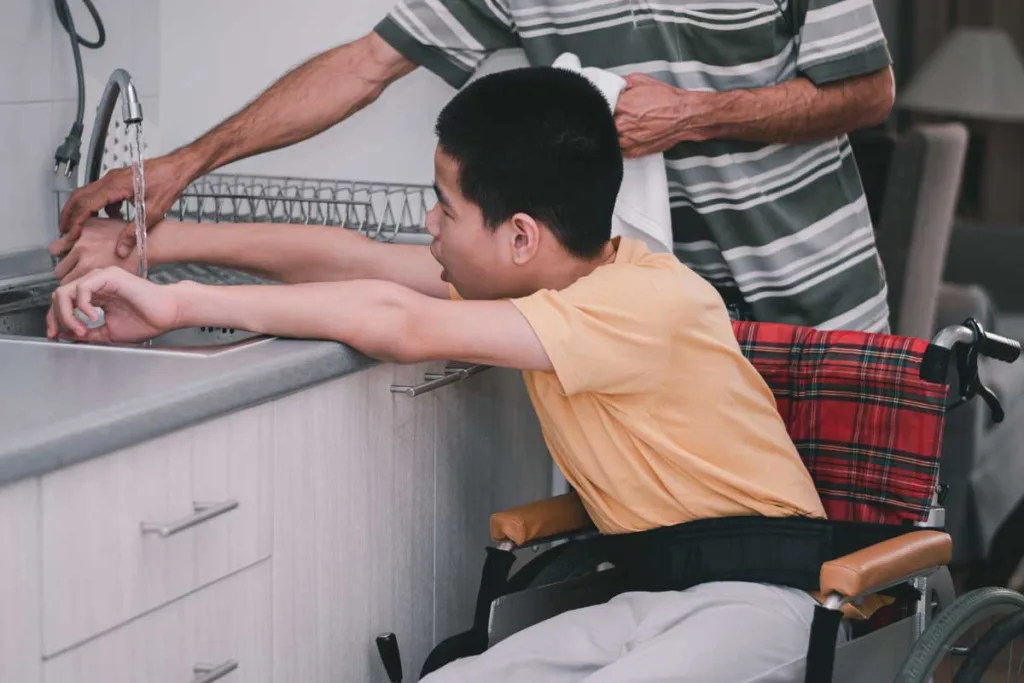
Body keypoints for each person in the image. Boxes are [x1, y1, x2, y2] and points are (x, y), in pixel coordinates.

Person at [50, 67, 828, 683]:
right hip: (651, 596)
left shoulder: (643, 302)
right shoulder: (550, 287)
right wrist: (155, 243)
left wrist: (176, 300)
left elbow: (402, 320)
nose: (428, 225)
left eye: (444, 208)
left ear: (519, 236)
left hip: (764, 603)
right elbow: (350, 259)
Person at [54, 0, 896, 332]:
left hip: (816, 298)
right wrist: (183, 167)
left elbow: (872, 90)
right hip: (644, 300)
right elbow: (364, 66)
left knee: (843, 580)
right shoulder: (588, 297)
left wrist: (697, 114)